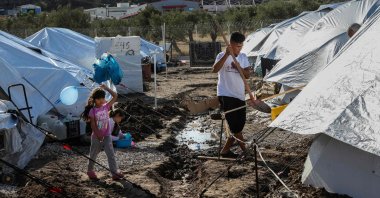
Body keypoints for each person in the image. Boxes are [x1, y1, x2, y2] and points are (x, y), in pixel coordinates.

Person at [212, 32, 251, 158]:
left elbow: (247, 75)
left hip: (239, 95)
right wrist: (226, 55)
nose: (239, 49)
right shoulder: (221, 55)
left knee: (239, 125)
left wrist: (238, 67)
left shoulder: (243, 57)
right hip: (226, 94)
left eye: (241, 46)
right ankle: (246, 151)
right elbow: (215, 69)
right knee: (235, 126)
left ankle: (224, 151)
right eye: (236, 46)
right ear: (231, 45)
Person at [82, 84, 123, 180]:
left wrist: (107, 88)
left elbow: (115, 96)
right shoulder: (92, 110)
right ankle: (90, 171)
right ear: (94, 99)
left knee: (111, 154)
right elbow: (93, 125)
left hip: (107, 135)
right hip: (96, 136)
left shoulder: (106, 106)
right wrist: (98, 135)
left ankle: (114, 172)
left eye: (103, 98)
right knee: (93, 154)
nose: (101, 100)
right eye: (99, 99)